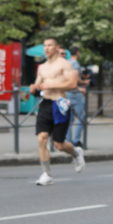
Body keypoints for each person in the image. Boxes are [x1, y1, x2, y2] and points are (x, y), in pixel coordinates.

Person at [29, 38, 86, 186]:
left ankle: (76, 152)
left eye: (50, 45)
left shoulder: (64, 64)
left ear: (57, 48)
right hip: (45, 104)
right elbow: (38, 85)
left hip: (60, 104)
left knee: (59, 144)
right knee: (42, 138)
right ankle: (47, 174)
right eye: (45, 46)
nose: (47, 48)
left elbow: (72, 84)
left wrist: (52, 85)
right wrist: (34, 89)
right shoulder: (42, 67)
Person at [65, 46, 88, 148]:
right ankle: (77, 140)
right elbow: (76, 79)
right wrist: (84, 82)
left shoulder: (67, 63)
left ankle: (69, 141)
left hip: (67, 92)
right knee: (82, 117)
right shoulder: (75, 64)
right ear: (78, 53)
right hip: (75, 93)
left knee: (69, 119)